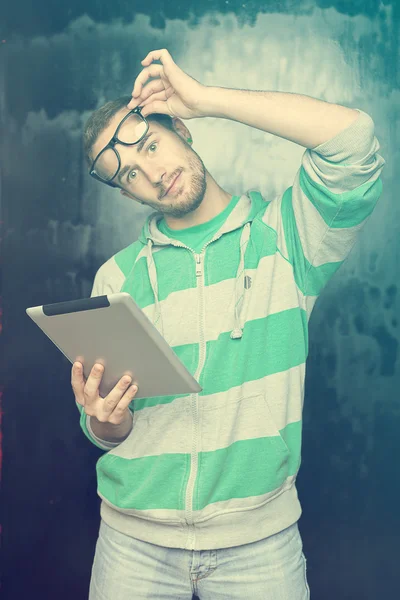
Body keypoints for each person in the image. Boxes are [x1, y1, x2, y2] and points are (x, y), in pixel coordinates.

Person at [72, 49, 385, 600]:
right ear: (125, 193)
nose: (152, 172)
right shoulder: (115, 278)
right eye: (130, 174)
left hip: (260, 545)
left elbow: (353, 141)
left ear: (181, 129)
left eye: (151, 145)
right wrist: (104, 421)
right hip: (132, 546)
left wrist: (208, 99)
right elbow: (103, 430)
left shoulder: (287, 239)